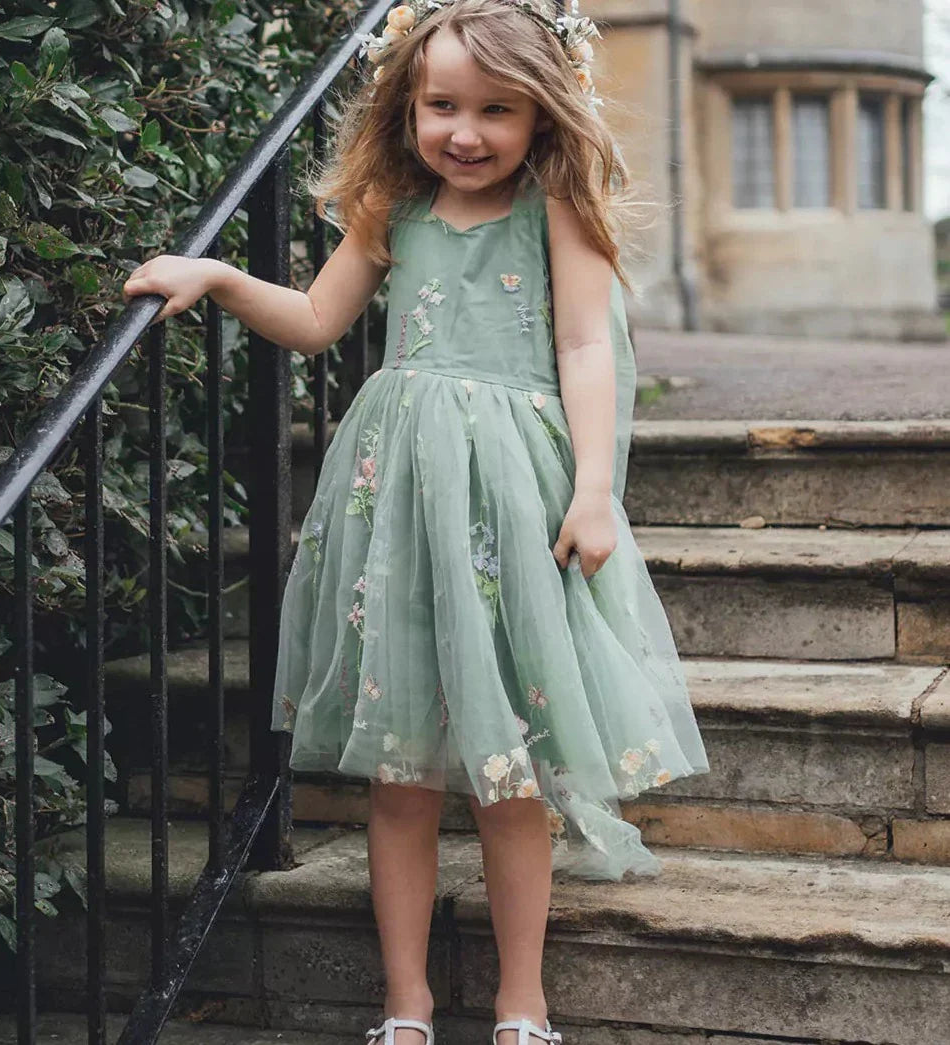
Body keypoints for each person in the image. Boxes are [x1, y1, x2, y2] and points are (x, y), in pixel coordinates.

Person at [123, 1, 709, 1041]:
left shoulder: (555, 208)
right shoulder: (393, 210)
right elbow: (312, 321)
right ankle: (406, 1005)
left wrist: (591, 488)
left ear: (540, 117)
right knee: (400, 773)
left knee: (505, 768)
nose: (466, 132)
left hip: (512, 501)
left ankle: (521, 1001)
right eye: (442, 105)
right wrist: (213, 276)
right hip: (395, 500)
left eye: (498, 109)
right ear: (406, 104)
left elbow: (584, 348)